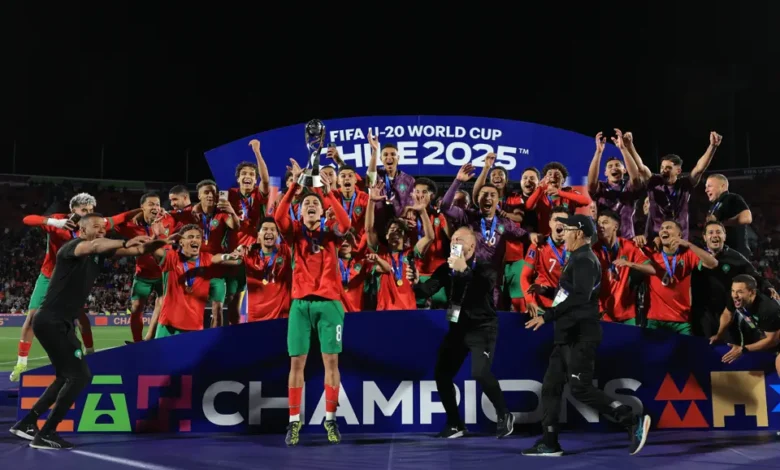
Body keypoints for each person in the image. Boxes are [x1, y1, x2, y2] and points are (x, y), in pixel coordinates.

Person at [9, 213, 166, 450]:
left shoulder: (100, 252)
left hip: (61, 322)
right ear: (82, 230)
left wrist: (160, 242)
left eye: (104, 226)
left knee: (66, 376)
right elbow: (94, 245)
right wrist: (124, 241)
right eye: (96, 226)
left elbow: (137, 252)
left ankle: (28, 423)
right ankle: (47, 432)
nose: (102, 229)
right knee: (79, 376)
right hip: (51, 321)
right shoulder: (72, 247)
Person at [524, 214, 650, 457]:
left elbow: (581, 297)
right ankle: (550, 442)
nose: (562, 233)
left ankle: (630, 419)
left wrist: (547, 316)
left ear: (579, 233)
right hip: (567, 336)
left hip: (580, 335)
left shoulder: (583, 260)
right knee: (551, 387)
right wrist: (547, 290)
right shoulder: (577, 259)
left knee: (580, 388)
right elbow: (570, 292)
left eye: (567, 229)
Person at [10, 194, 140, 380]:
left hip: (72, 279)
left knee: (80, 318)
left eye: (90, 210)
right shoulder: (58, 221)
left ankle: (90, 353)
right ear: (73, 210)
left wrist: (142, 210)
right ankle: (21, 365)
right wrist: (56, 224)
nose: (88, 213)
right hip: (49, 276)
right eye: (84, 210)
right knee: (32, 318)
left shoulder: (94, 224)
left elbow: (121, 217)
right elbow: (28, 219)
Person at [410, 226, 514, 439]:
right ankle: (455, 423)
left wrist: (464, 270)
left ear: (472, 246)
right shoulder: (445, 269)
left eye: (459, 239)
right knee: (442, 373)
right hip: (457, 329)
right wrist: (415, 283)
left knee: (479, 372)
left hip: (482, 328)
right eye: (452, 239)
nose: (454, 242)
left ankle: (504, 414)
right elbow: (427, 290)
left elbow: (482, 289)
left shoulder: (486, 268)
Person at [274, 166, 351, 446]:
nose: (310, 206)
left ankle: (330, 419)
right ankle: (294, 422)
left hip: (330, 305)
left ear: (322, 212)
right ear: (300, 211)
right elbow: (277, 216)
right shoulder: (294, 233)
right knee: (297, 364)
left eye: (315, 204)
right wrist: (294, 187)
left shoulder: (331, 234)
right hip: (300, 306)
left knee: (332, 362)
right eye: (306, 204)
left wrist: (327, 193)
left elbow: (347, 225)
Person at [710, 275, 780, 373]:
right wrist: (719, 334)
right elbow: (728, 313)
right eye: (733, 290)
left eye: (740, 292)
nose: (735, 295)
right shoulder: (735, 298)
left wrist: (743, 349)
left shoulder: (767, 309)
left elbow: (773, 340)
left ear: (752, 292)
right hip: (770, 331)